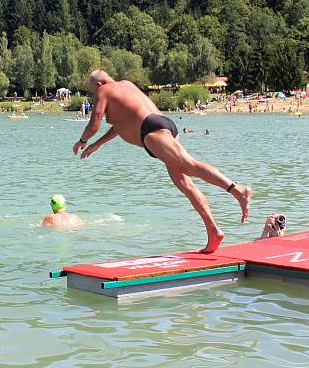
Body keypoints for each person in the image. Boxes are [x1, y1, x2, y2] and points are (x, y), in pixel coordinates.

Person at [73, 70, 252, 253]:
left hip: (151, 132)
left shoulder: (103, 91)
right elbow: (123, 124)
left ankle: (238, 190)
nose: (94, 96)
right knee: (185, 183)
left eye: (92, 92)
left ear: (98, 85)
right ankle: (213, 231)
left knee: (190, 166)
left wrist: (83, 140)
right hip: (163, 124)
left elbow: (93, 125)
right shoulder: (126, 84)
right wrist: (97, 145)